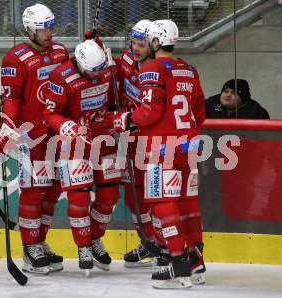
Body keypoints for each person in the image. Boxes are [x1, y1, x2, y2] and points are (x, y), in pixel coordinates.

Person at [104, 19, 206, 289]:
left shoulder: (152, 69)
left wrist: (123, 120)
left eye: (149, 40)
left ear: (157, 42)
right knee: (188, 204)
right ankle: (196, 263)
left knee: (163, 203)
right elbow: (200, 114)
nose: (146, 44)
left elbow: (149, 112)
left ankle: (177, 266)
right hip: (190, 145)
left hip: (163, 147)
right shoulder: (189, 69)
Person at [0, 3, 69, 275]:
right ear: (29, 30)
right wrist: (7, 128)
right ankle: (29, 248)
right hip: (31, 136)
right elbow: (11, 100)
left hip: (57, 134)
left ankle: (39, 241)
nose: (49, 33)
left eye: (51, 27)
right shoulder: (16, 58)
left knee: (54, 190)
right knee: (34, 191)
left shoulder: (60, 51)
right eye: (43, 28)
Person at [43, 39, 121, 275]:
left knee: (110, 193)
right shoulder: (61, 76)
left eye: (101, 69)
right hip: (73, 142)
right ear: (78, 62)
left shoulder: (106, 68)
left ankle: (95, 239)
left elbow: (113, 99)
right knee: (78, 198)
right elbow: (49, 112)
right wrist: (66, 126)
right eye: (92, 71)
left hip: (103, 137)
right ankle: (83, 246)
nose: (97, 75)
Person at [115, 19, 163, 269]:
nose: (135, 48)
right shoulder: (125, 60)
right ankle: (147, 242)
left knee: (155, 195)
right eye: (133, 42)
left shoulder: (159, 69)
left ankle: (162, 244)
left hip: (152, 140)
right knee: (132, 198)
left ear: (153, 44)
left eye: (141, 44)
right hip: (127, 138)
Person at [205, 79, 270, 119]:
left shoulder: (256, 112)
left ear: (242, 99)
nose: (228, 95)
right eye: (226, 91)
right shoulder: (209, 104)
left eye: (233, 93)